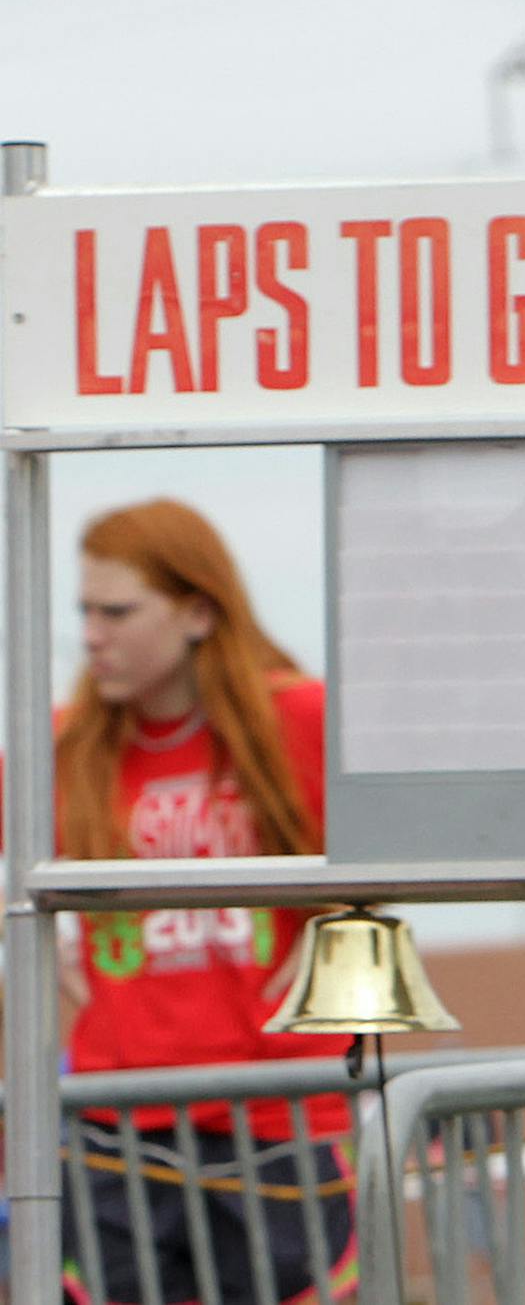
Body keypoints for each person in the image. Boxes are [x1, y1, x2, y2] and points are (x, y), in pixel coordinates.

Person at [49, 499, 357, 1305]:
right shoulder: (65, 744)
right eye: (84, 609)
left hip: (281, 1116)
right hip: (118, 1122)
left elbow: (389, 875)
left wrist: (331, 938)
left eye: (116, 610)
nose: (91, 634)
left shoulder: (297, 717)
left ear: (197, 610)